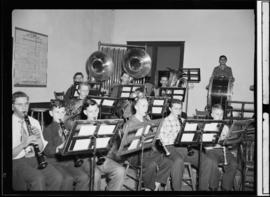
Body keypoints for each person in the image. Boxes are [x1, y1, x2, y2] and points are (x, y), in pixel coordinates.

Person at [122, 97, 183, 191]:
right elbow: (127, 145)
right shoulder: (130, 123)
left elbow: (153, 140)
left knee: (168, 162)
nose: (146, 108)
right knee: (152, 165)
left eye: (147, 105)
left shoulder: (147, 121)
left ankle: (153, 188)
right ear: (136, 107)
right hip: (135, 154)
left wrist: (156, 136)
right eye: (143, 105)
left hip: (148, 152)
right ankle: (149, 188)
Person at [158, 99, 218, 191]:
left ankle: (203, 189)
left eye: (180, 108)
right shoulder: (164, 121)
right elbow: (161, 140)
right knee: (178, 161)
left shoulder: (183, 120)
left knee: (206, 160)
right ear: (170, 109)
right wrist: (177, 139)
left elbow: (191, 136)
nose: (178, 111)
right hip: (171, 147)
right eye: (175, 108)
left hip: (185, 148)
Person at [12, 91, 63, 190]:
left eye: (26, 104)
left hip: (34, 157)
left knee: (57, 177)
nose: (24, 107)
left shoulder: (34, 122)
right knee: (38, 178)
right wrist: (23, 144)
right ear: (13, 106)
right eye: (20, 104)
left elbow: (40, 149)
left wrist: (39, 138)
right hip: (16, 160)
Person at [43, 99, 89, 190]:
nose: (60, 115)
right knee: (68, 179)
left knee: (84, 177)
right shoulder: (47, 129)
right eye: (57, 112)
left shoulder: (67, 126)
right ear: (51, 113)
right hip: (55, 162)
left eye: (62, 112)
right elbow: (47, 151)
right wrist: (58, 148)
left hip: (68, 160)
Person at [81, 98, 125, 191]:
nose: (94, 114)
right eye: (90, 111)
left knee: (120, 170)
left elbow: (108, 147)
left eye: (96, 110)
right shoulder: (80, 126)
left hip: (100, 157)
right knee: (95, 174)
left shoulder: (103, 125)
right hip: (86, 160)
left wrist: (111, 137)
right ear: (85, 112)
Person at [205, 104, 238, 191]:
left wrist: (230, 142)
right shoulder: (208, 126)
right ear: (212, 115)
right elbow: (205, 146)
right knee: (213, 163)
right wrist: (214, 142)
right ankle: (213, 187)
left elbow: (228, 143)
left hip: (223, 151)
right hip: (212, 151)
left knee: (234, 163)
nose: (219, 117)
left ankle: (225, 188)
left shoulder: (226, 127)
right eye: (217, 114)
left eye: (221, 114)